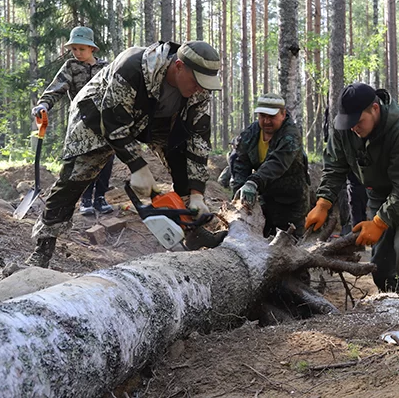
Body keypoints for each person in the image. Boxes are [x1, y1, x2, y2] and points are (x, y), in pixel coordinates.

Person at [25, 41, 221, 268]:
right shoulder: (133, 67)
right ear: (178, 66)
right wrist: (137, 166)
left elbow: (198, 139)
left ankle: (194, 231)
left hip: (155, 120)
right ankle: (43, 248)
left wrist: (197, 193)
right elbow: (113, 122)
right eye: (197, 82)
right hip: (99, 113)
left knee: (183, 159)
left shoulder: (200, 90)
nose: (200, 88)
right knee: (75, 178)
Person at [305, 83, 399, 294]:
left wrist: (379, 222)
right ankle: (391, 300)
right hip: (379, 190)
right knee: (381, 261)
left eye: (358, 122)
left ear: (375, 109)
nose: (353, 128)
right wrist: (323, 203)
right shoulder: (345, 128)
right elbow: (335, 167)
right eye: (349, 123)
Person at [31, 26, 114, 216]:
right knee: (83, 160)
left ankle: (100, 198)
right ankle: (85, 200)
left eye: (81, 49)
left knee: (106, 158)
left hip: (104, 122)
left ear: (92, 49)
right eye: (74, 49)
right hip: (81, 123)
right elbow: (56, 88)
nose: (77, 53)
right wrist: (43, 104)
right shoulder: (71, 66)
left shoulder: (106, 68)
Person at [230, 93, 310, 237]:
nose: (266, 121)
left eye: (271, 117)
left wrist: (253, 182)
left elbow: (277, 163)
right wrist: (239, 195)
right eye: (262, 116)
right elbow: (241, 164)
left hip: (291, 203)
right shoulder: (251, 133)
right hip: (266, 200)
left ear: (283, 114)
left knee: (291, 247)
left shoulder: (290, 135)